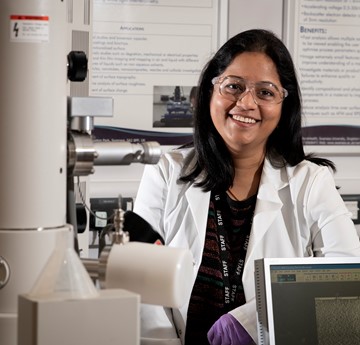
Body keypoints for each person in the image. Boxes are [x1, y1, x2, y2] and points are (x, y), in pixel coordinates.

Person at [133, 29, 360, 345]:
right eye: (233, 86)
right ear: (211, 92)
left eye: (265, 92)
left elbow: (348, 284)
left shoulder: (310, 183)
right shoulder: (165, 173)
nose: (246, 103)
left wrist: (253, 321)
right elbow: (141, 286)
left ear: (283, 105)